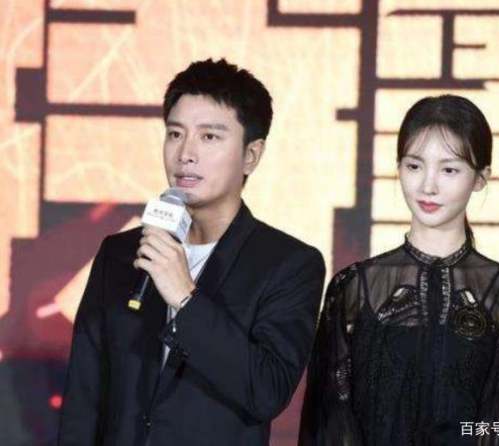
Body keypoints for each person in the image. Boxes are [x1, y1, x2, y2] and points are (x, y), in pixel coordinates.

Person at [58, 58, 326, 446]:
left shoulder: (289, 264)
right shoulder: (121, 253)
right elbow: (83, 398)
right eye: (175, 134)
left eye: (209, 137)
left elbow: (266, 391)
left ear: (251, 155)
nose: (185, 153)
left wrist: (185, 298)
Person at [298, 95, 499, 445]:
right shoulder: (354, 288)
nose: (428, 186)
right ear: (398, 168)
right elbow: (327, 423)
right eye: (414, 166)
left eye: (449, 170)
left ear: (481, 178)